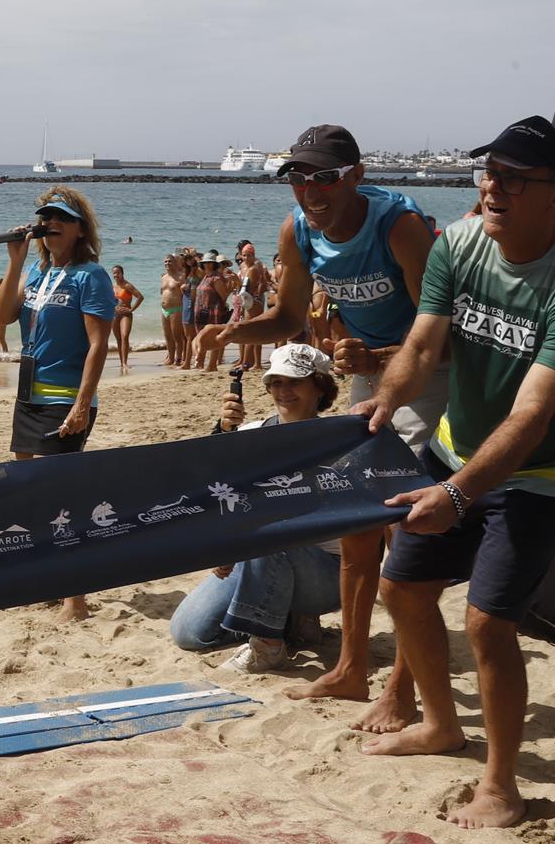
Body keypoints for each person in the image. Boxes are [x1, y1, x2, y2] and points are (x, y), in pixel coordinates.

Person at [358, 117, 555, 829]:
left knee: (486, 622)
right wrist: (384, 399)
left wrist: (456, 491)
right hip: (454, 448)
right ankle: (440, 725)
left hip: (542, 471)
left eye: (514, 177)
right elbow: (421, 343)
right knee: (401, 588)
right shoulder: (459, 244)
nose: (492, 186)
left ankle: (500, 785)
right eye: (488, 171)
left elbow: (532, 419)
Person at [195, 123, 445, 730]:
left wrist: (378, 360)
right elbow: (284, 317)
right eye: (299, 178)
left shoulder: (400, 225)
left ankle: (400, 689)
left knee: (401, 527)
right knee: (355, 523)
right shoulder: (297, 229)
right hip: (368, 367)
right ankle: (351, 670)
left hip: (432, 373)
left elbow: (440, 334)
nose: (311, 190)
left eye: (325, 176)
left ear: (356, 176)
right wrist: (233, 332)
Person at [170, 345, 346, 668]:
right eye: (276, 382)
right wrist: (222, 431)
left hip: (322, 573)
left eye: (294, 381)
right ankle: (282, 621)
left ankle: (267, 644)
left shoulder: (338, 441)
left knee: (269, 534)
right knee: (188, 632)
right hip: (258, 560)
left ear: (319, 387)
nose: (283, 391)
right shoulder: (250, 433)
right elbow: (215, 488)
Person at [0, 186, 114, 622]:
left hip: (65, 399)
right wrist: (15, 260)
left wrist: (82, 405)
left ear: (80, 228)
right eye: (46, 216)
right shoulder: (39, 276)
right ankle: (47, 579)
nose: (51, 223)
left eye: (61, 216)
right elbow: (3, 316)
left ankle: (75, 599)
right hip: (29, 395)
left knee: (61, 497)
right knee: (30, 497)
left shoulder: (90, 275)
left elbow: (98, 345)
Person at [231, 239, 273, 371]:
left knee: (250, 332)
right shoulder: (243, 266)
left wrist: (236, 281)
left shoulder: (254, 268)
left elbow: (251, 288)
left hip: (253, 301)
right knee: (254, 333)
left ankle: (246, 363)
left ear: (253, 255)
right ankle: (255, 363)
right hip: (247, 299)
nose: (246, 258)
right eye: (244, 255)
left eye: (249, 255)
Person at [109, 264, 142, 372]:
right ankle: (121, 362)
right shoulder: (112, 286)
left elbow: (140, 297)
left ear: (122, 273)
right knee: (118, 339)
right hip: (114, 314)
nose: (116, 275)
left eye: (118, 272)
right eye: (114, 273)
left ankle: (125, 363)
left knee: (124, 336)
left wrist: (131, 309)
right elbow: (108, 300)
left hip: (126, 314)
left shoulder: (127, 285)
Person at [159, 253, 187, 369]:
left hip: (176, 309)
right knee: (167, 335)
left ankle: (178, 358)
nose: (167, 263)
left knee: (177, 336)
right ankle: (170, 358)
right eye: (165, 261)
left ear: (176, 263)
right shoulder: (163, 277)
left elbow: (186, 293)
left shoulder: (181, 276)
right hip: (164, 310)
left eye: (170, 261)